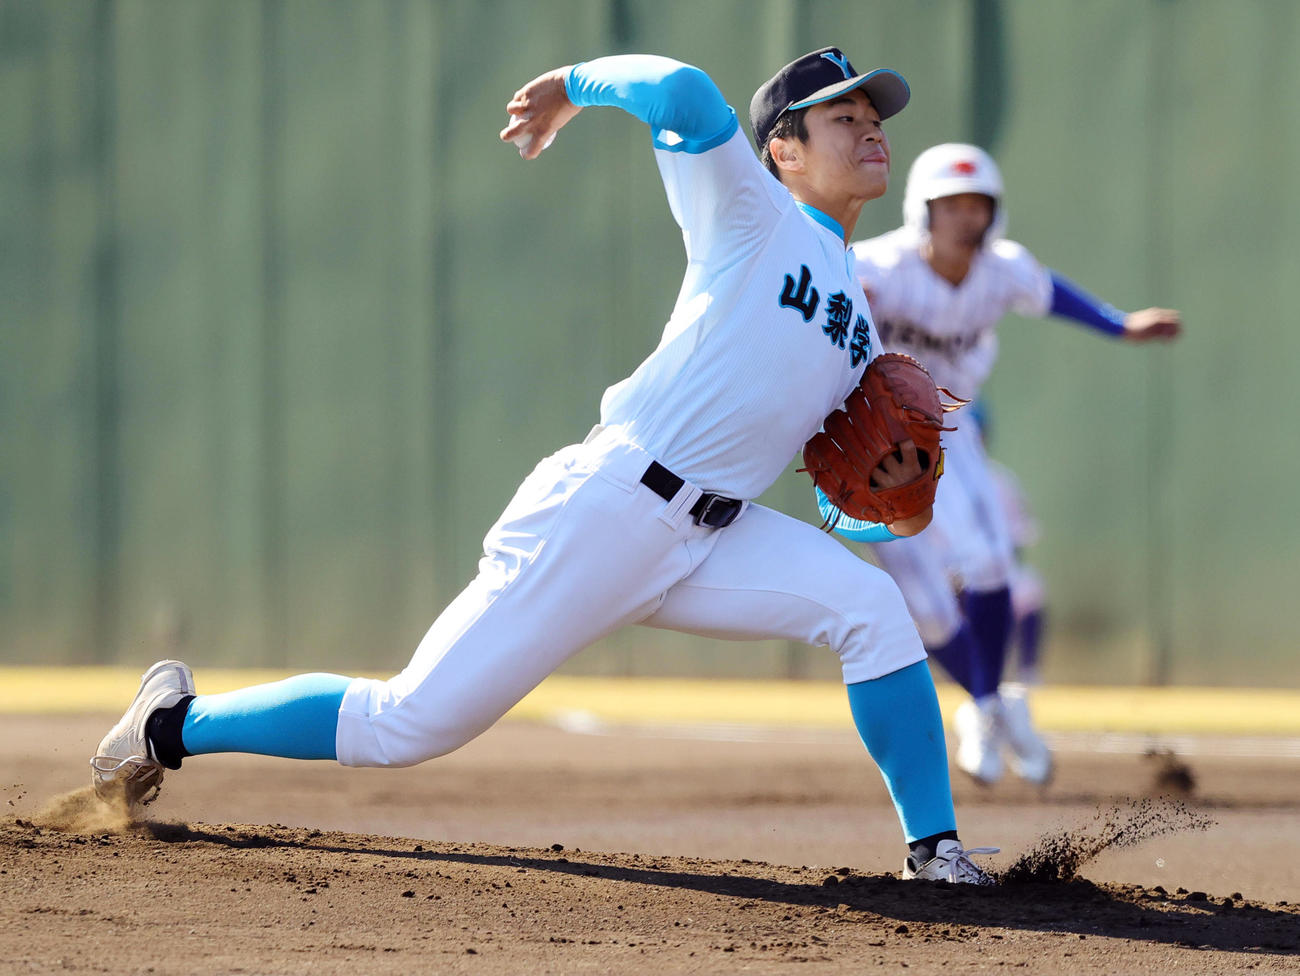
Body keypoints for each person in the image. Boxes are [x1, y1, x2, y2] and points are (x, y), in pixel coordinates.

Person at [92, 50, 999, 883]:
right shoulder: (751, 213)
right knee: (407, 723)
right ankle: (172, 722)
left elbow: (841, 497)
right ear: (784, 151)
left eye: (874, 114)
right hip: (609, 507)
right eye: (842, 116)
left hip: (712, 541)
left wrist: (894, 507)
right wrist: (571, 87)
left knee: (873, 608)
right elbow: (681, 91)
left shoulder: (859, 316)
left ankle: (936, 852)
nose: (872, 126)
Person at [817, 143, 1181, 785]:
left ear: (994, 212)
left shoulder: (1001, 270)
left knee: (988, 564)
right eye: (951, 204)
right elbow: (835, 297)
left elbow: (1051, 295)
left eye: (977, 204)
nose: (965, 216)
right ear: (923, 209)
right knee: (927, 610)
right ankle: (991, 704)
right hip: (876, 445)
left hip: (950, 432)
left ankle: (988, 708)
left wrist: (1121, 326)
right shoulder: (883, 264)